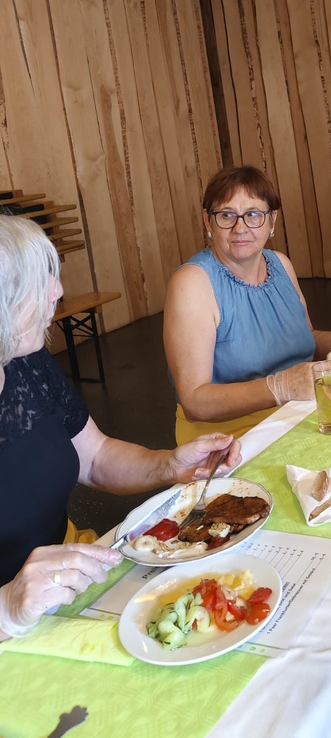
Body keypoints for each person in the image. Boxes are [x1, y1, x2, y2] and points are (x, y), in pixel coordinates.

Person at [0, 215, 241, 640]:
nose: (57, 291)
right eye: (36, 283)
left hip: (70, 580)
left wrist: (170, 465)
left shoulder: (26, 363)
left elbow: (94, 457)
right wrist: (7, 607)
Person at [164, 166, 331, 445]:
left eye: (253, 214)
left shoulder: (280, 264)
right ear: (208, 222)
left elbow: (306, 340)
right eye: (226, 215)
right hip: (229, 439)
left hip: (299, 415)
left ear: (272, 220)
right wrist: (279, 387)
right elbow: (195, 402)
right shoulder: (192, 283)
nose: (240, 228)